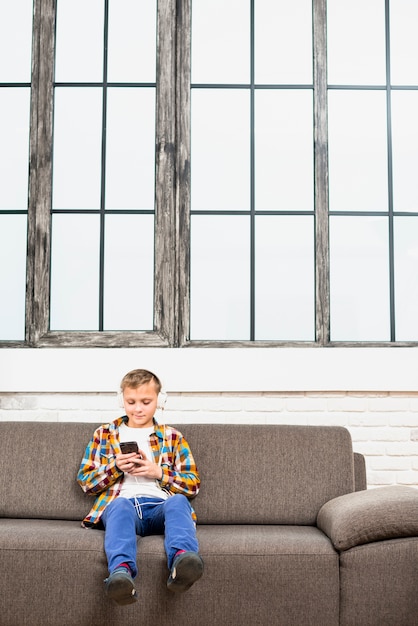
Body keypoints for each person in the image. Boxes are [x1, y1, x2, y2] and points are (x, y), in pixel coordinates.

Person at [77, 368, 203, 606]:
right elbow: (86, 482)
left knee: (178, 501)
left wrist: (159, 473)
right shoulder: (104, 434)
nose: (138, 408)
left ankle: (182, 562)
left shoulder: (173, 437)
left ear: (160, 400)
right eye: (131, 402)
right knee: (120, 506)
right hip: (123, 508)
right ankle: (121, 574)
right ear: (121, 400)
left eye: (146, 402)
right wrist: (115, 467)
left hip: (159, 507)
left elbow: (193, 485)